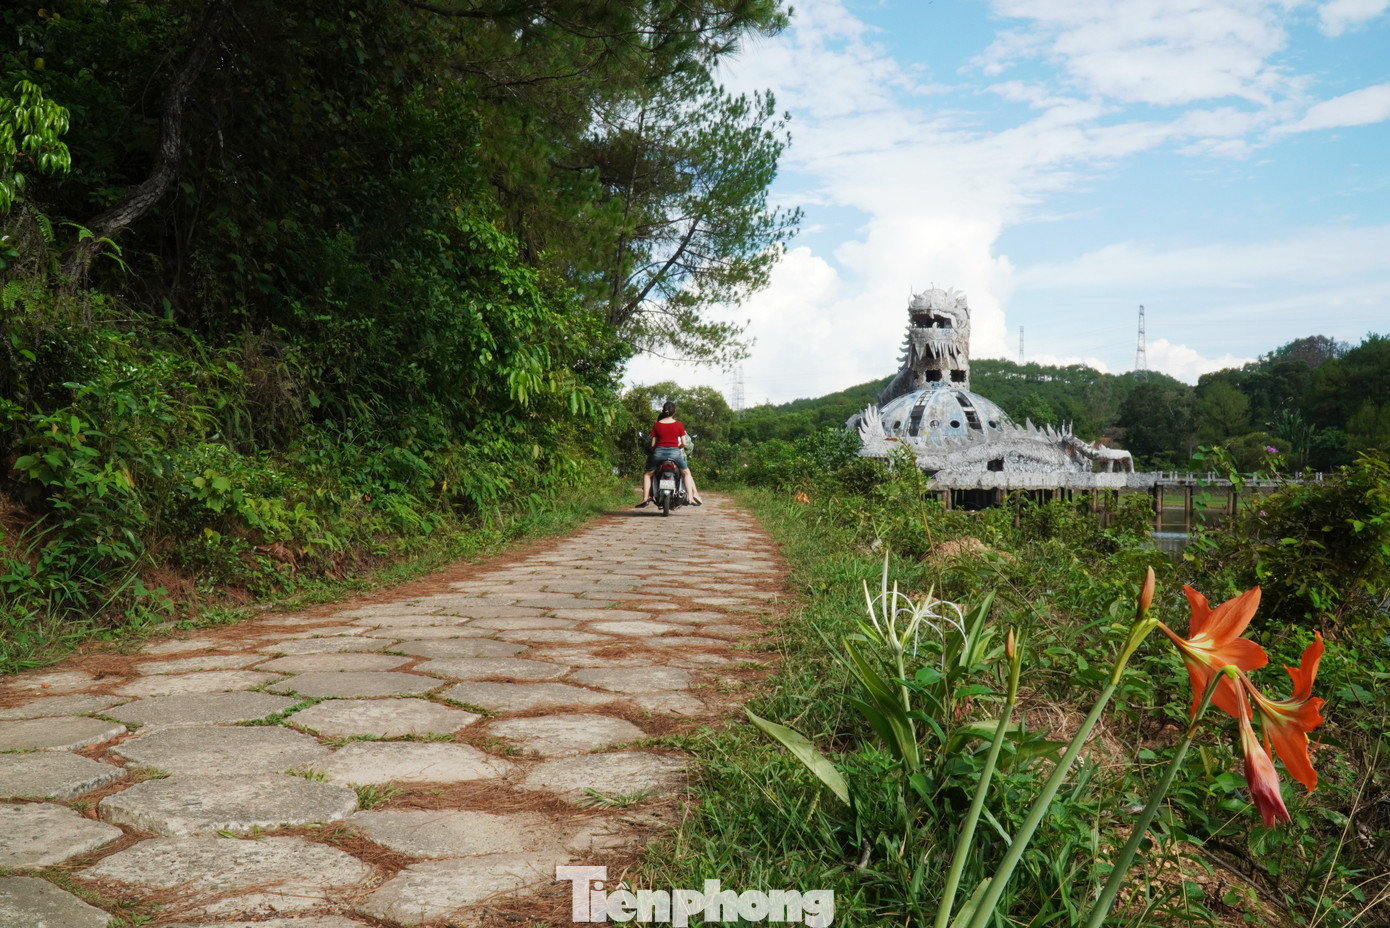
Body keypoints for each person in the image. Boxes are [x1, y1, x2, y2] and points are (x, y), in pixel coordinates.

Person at [636, 401, 703, 507]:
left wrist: (654, 448)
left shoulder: (657, 425)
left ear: (663, 410)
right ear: (674, 412)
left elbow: (653, 444)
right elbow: (684, 443)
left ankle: (645, 499)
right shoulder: (678, 425)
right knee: (686, 473)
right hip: (675, 454)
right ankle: (690, 498)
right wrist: (677, 447)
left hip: (658, 453)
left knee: (648, 474)